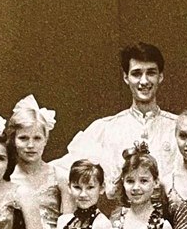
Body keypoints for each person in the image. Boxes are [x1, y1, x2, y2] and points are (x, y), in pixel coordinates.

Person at [60, 42, 178, 199]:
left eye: (151, 73)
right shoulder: (106, 128)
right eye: (136, 74)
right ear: (126, 77)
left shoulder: (178, 129)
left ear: (160, 76)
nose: (144, 81)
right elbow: (62, 171)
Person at [8, 94, 74, 229]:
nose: (31, 145)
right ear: (13, 140)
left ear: (46, 139)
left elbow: (68, 226)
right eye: (23, 138)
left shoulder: (59, 177)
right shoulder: (8, 179)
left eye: (37, 138)